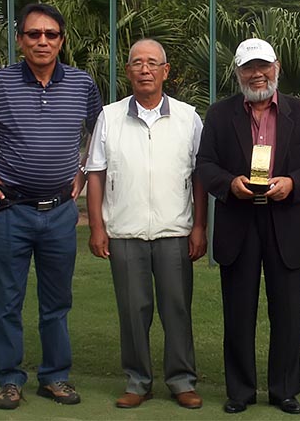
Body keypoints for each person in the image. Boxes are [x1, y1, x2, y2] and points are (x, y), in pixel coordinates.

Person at [0, 3, 102, 410]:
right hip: (12, 212)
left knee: (56, 302)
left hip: (60, 214)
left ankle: (54, 377)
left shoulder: (82, 84)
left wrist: (84, 171)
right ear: (20, 40)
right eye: (33, 34)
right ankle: (9, 379)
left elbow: (100, 136)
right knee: (7, 301)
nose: (42, 41)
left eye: (50, 34)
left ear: (61, 40)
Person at [196, 38, 300, 415]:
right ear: (237, 72)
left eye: (263, 66)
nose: (257, 75)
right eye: (248, 68)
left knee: (287, 313)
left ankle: (284, 390)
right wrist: (228, 184)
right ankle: (240, 391)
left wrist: (293, 184)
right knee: (238, 311)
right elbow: (205, 164)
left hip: (285, 219)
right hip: (238, 219)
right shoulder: (220, 115)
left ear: (277, 67)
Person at [85, 38, 207, 410]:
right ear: (128, 72)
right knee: (133, 313)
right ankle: (137, 382)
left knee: (177, 310)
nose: (145, 69)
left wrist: (200, 227)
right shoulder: (109, 116)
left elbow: (200, 177)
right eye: (137, 62)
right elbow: (95, 174)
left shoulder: (188, 117)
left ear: (165, 71)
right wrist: (96, 227)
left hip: (175, 232)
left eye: (153, 62)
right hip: (124, 232)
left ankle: (181, 380)